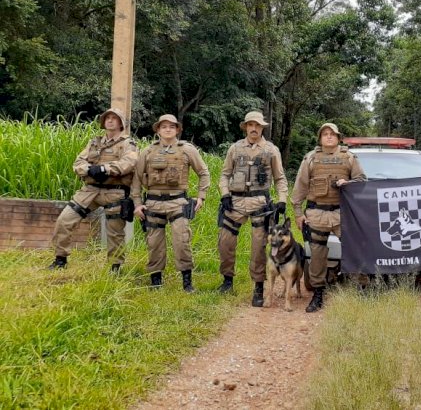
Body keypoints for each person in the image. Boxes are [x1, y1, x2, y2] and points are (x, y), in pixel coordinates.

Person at [48, 107, 138, 271]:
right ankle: (60, 260)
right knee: (65, 220)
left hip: (115, 191)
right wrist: (89, 170)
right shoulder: (94, 143)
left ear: (121, 123)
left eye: (114, 118)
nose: (110, 120)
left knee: (115, 232)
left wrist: (104, 169)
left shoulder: (127, 144)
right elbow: (78, 163)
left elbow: (128, 163)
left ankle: (115, 267)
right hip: (90, 190)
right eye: (107, 118)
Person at [291, 123, 366, 313]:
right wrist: (298, 213)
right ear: (320, 138)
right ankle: (318, 293)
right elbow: (300, 187)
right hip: (317, 214)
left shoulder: (349, 158)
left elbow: (362, 182)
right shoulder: (311, 158)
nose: (329, 137)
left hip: (343, 214)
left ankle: (361, 288)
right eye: (325, 134)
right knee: (317, 254)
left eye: (332, 134)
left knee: (355, 249)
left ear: (338, 138)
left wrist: (347, 183)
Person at [132, 114, 210, 292]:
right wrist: (137, 203)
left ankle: (187, 283)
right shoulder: (148, 151)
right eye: (164, 126)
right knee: (154, 244)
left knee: (182, 242)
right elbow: (136, 179)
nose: (168, 129)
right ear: (158, 130)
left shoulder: (187, 150)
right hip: (153, 203)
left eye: (172, 126)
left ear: (177, 129)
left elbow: (203, 172)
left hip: (178, 202)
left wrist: (201, 196)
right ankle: (156, 282)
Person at [217, 111, 288, 304]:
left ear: (262, 128)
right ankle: (227, 280)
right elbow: (224, 174)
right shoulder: (235, 148)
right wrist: (224, 194)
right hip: (235, 202)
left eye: (257, 125)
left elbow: (280, 178)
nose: (254, 128)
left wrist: (282, 199)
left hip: (259, 203)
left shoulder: (271, 150)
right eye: (250, 125)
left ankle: (258, 286)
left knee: (258, 246)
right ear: (246, 127)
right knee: (225, 242)